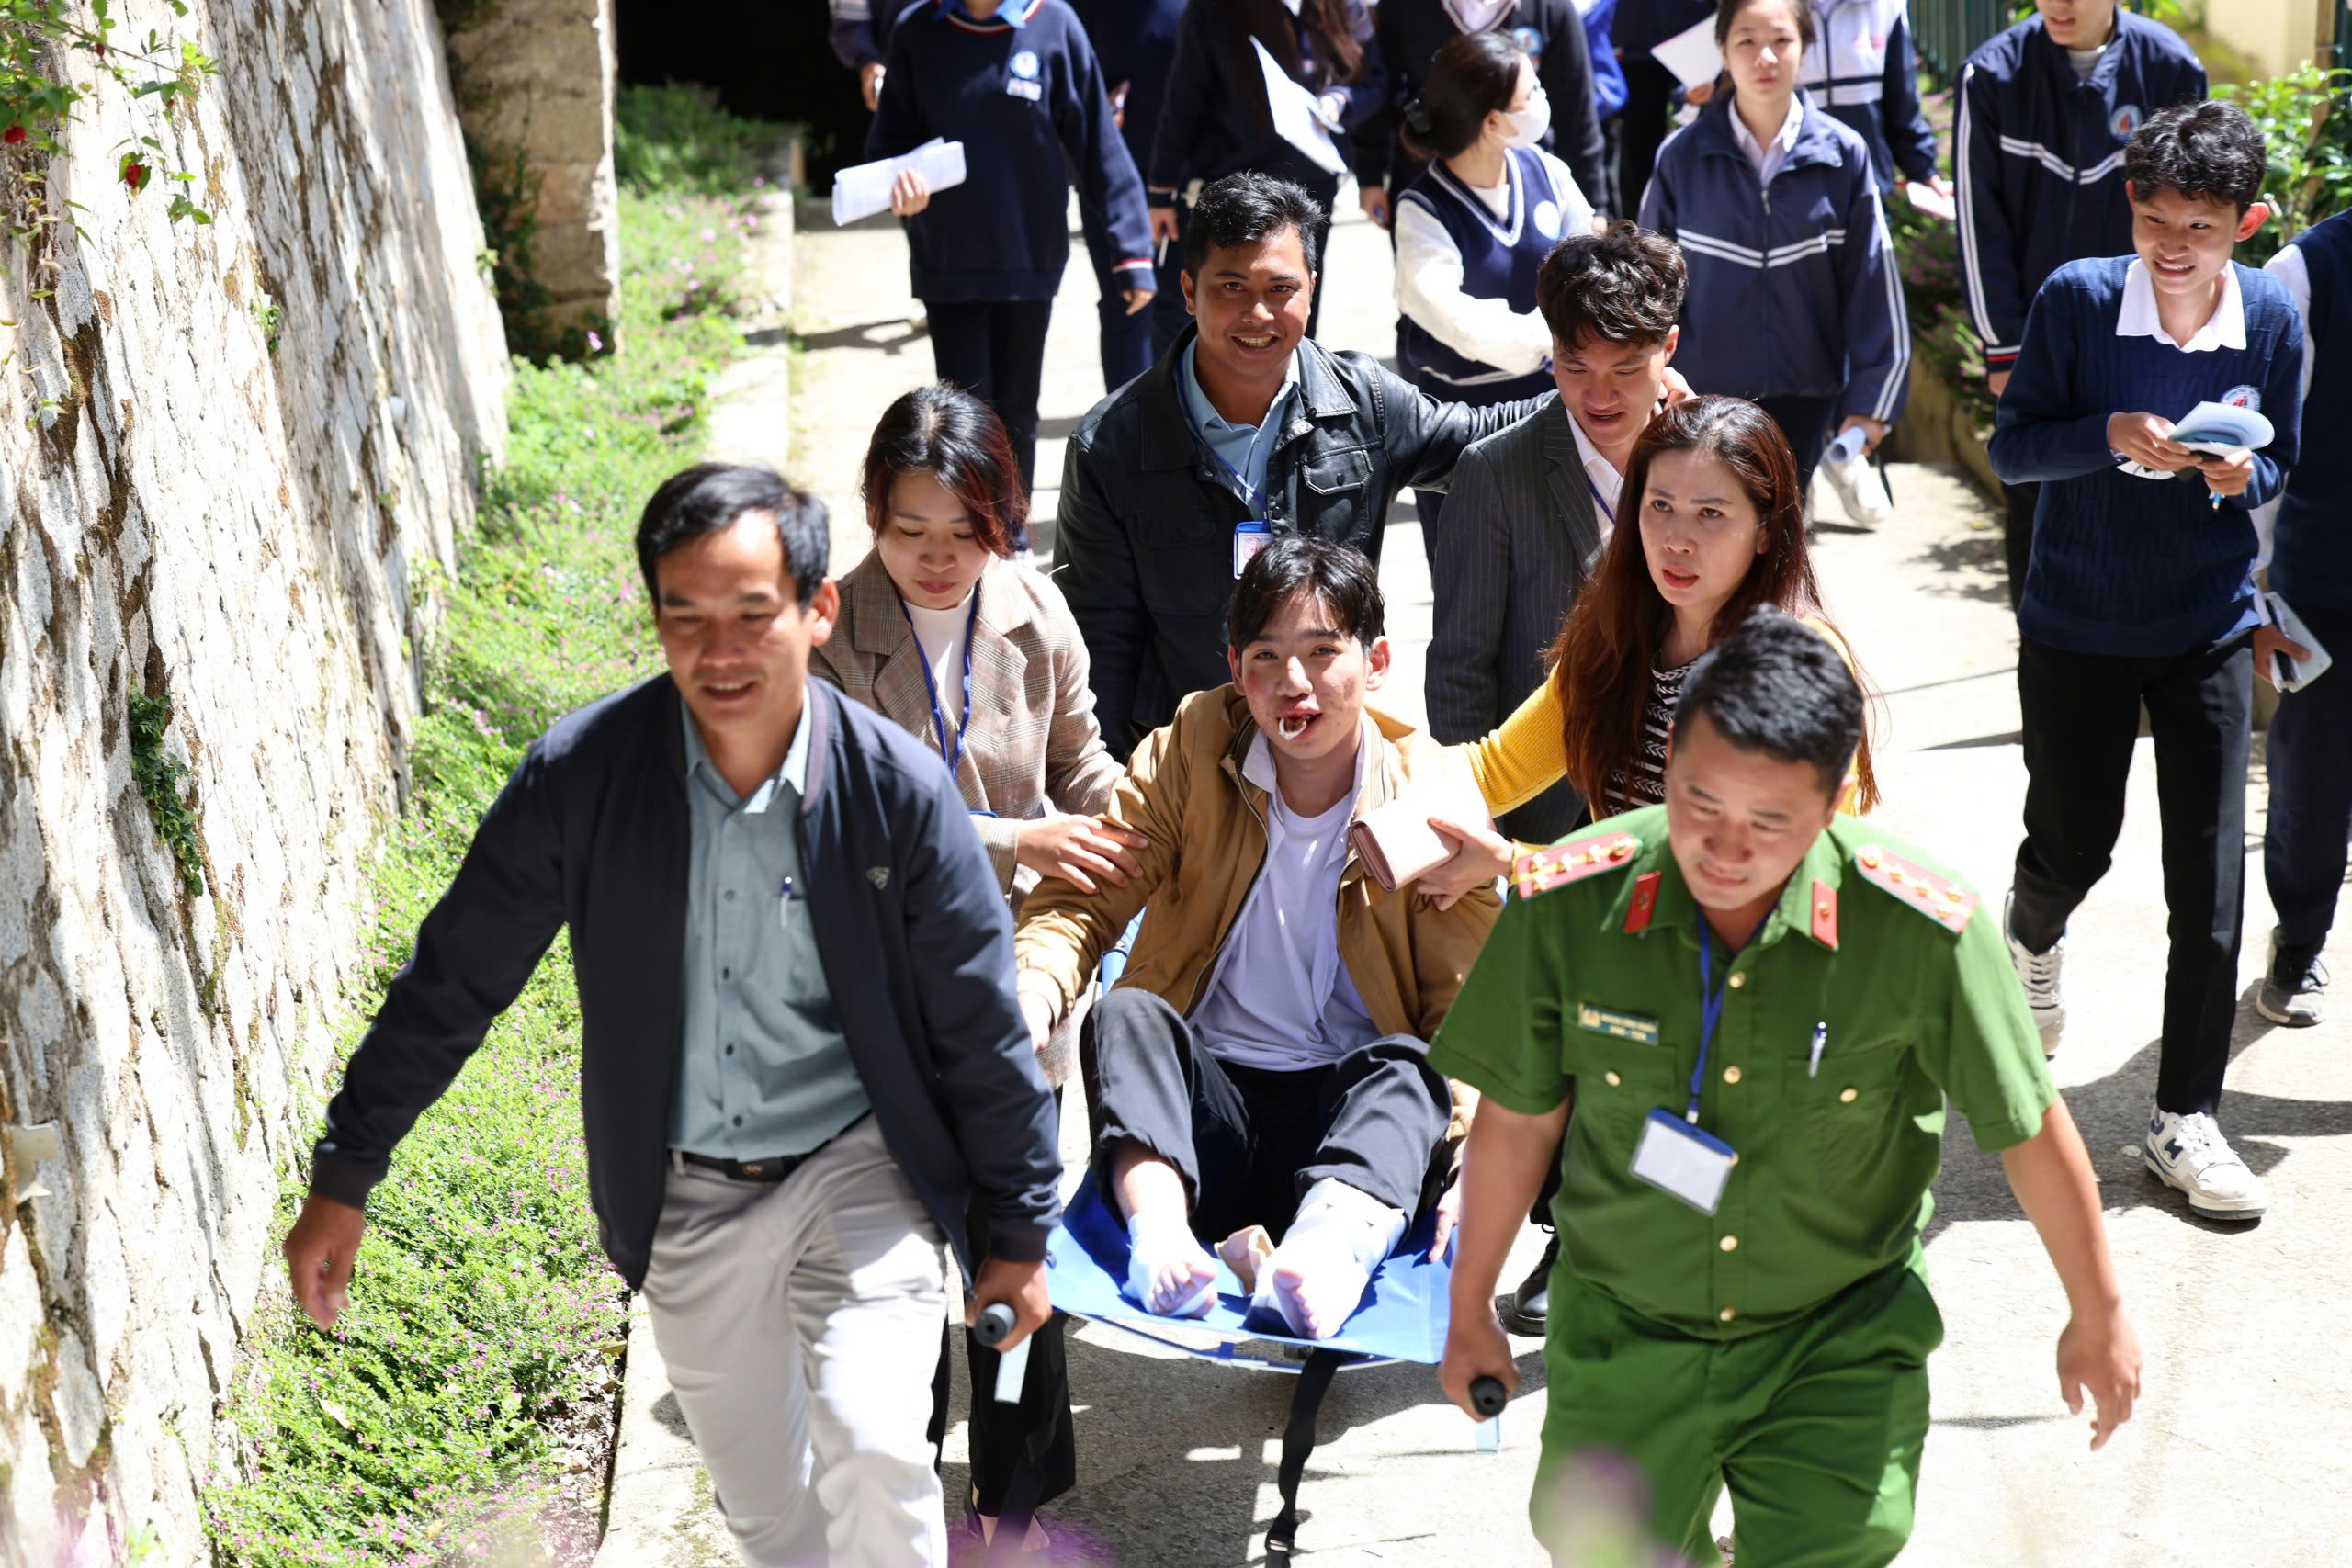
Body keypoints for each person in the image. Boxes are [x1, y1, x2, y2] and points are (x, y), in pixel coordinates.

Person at [279, 465, 1063, 1568]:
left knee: (876, 1454)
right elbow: (455, 980)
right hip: (687, 1198)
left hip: (861, 1176)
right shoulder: (581, 780)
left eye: (752, 615)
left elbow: (977, 1026)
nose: (720, 651)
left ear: (817, 608)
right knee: (772, 1522)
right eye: (685, 617)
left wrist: (1017, 1233)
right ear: (654, 619)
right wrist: (346, 1172)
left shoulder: (895, 791)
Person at [1434, 611, 2143, 1567]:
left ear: (1836, 800)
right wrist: (1469, 1304)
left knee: (1830, 1551)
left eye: (1769, 822)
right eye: (1700, 803)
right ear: (1670, 759)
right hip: (1625, 1332)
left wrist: (2097, 1312)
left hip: (1836, 1337)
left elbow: (2027, 1127)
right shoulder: (1570, 903)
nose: (1724, 849)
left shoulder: (1920, 930)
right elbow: (1519, 1120)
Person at [1421, 394, 1877, 1335]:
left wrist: (1513, 866)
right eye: (1658, 506)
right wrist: (1355, 782)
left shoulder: (1796, 660)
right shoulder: (1617, 630)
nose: (1677, 538)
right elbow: (1494, 766)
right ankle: (1602, 1217)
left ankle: (1687, 1214)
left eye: (1712, 513)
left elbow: (1775, 874)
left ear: (1767, 531)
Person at [810, 387, 1147, 1550]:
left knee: (1013, 1254)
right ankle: (898, 1501)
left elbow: (1083, 761)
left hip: (1020, 991)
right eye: (912, 531)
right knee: (899, 1271)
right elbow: (857, 820)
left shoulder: (1032, 610)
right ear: (872, 516)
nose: (941, 557)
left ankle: (1009, 1508)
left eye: (968, 530)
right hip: (886, 996)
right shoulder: (831, 636)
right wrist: (1022, 839)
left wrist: (1148, 831)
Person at [1015, 536, 1501, 1338]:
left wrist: (1478, 1156)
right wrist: (1034, 991)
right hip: (1206, 1128)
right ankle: (1161, 1241)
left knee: (1411, 1067)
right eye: (1267, 657)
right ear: (1237, 671)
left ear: (1377, 661)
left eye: (1322, 652)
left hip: (1354, 1133)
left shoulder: (1429, 794)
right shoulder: (1192, 747)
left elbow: (1472, 1005)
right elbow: (1089, 896)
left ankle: (1323, 1256)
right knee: (1126, 1013)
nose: (1293, 683)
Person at [1988, 100, 2302, 1222]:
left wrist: (2241, 476)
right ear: (2130, 205)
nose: (2174, 246)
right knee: (2073, 844)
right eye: (2156, 219)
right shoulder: (2076, 300)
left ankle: (2184, 1117)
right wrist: (2105, 435)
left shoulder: (2270, 317)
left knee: (2208, 886)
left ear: (2246, 224)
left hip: (2206, 623)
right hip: (2075, 621)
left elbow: (2281, 459)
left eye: (2201, 227)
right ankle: (2032, 930)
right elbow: (2012, 450)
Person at [1055, 171, 1550, 757]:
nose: (1257, 313)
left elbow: (1489, 438)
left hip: (1332, 758)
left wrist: (1609, 386)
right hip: (1185, 768)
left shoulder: (1364, 404)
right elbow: (1099, 647)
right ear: (1188, 291)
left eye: (1280, 288)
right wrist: (1118, 792)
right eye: (1231, 287)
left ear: (1312, 289)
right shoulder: (1111, 446)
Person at [1425, 220, 1684, 846]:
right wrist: (1472, 820)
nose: (1600, 394)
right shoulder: (1496, 472)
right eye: (1575, 366)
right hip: (1543, 812)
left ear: (1669, 347)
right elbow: (1460, 668)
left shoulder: (1708, 459)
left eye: (1626, 369)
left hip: (1683, 804)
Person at [1956, 0, 2207, 607]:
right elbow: (1978, 220)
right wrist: (2006, 349)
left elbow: (2195, 213)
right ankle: (2041, 646)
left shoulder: (2171, 67)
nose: (2059, 4)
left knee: (2142, 519)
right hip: (2034, 349)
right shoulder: (1991, 73)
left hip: (2143, 343)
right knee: (2036, 516)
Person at [867, 0, 1157, 504]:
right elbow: (886, 148)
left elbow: (1099, 145)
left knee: (1019, 411)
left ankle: (1012, 531)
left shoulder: (1054, 24)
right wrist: (899, 185)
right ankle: (975, 528)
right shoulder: (917, 29)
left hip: (1029, 257)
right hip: (949, 260)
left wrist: (1131, 251)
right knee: (963, 417)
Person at [1638, 0, 1908, 515]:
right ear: (1722, 50)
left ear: (1805, 48)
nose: (1765, 57)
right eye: (1746, 41)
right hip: (1702, 398)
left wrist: (1871, 402)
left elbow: (1873, 285)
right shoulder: (1680, 157)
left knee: (1784, 538)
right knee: (1711, 534)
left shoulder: (1844, 155)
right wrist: (1649, 380)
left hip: (1807, 397)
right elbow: (1650, 288)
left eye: (1782, 40)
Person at [1394, 30, 1599, 559]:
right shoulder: (1423, 209)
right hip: (1458, 423)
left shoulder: (1546, 171)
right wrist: (1554, 338)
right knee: (1472, 571)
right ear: (1493, 122)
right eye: (1532, 93)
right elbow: (1451, 317)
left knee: (1560, 565)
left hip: (1551, 404)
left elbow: (1590, 259)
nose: (1542, 101)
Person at [2253, 207, 2351, 1029]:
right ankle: (2300, 936)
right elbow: (2264, 448)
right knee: (2313, 779)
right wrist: (2250, 591)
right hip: (2326, 578)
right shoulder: (2307, 273)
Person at [1148, 0, 1385, 342]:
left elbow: (1373, 79)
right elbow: (1183, 99)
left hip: (1310, 183)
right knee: (1217, 307)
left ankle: (1290, 378)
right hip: (1233, 186)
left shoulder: (1341, 7)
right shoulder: (1215, 9)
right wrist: (1161, 191)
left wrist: (1340, 100)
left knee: (1291, 309)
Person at [1351, 0, 1607, 233]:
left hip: (1529, 193)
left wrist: (1595, 204)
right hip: (1428, 180)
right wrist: (1369, 176)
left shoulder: (1550, 8)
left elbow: (1577, 110)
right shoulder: (1402, 7)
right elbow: (1382, 91)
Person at [1073, 0, 1194, 385]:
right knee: (1125, 303)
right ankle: (1128, 418)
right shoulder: (1081, 10)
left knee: (1186, 301)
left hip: (1189, 177)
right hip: (1110, 176)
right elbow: (1065, 83)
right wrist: (1097, 111)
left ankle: (1182, 410)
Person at [1793, 0, 1940, 201]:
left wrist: (1923, 170)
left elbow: (1901, 101)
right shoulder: (1770, 7)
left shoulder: (1887, 6)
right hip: (1793, 191)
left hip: (1868, 189)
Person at [1611, 0, 1716, 215]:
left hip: (1700, 34)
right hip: (1637, 36)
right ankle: (1636, 228)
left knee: (1706, 138)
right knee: (1637, 146)